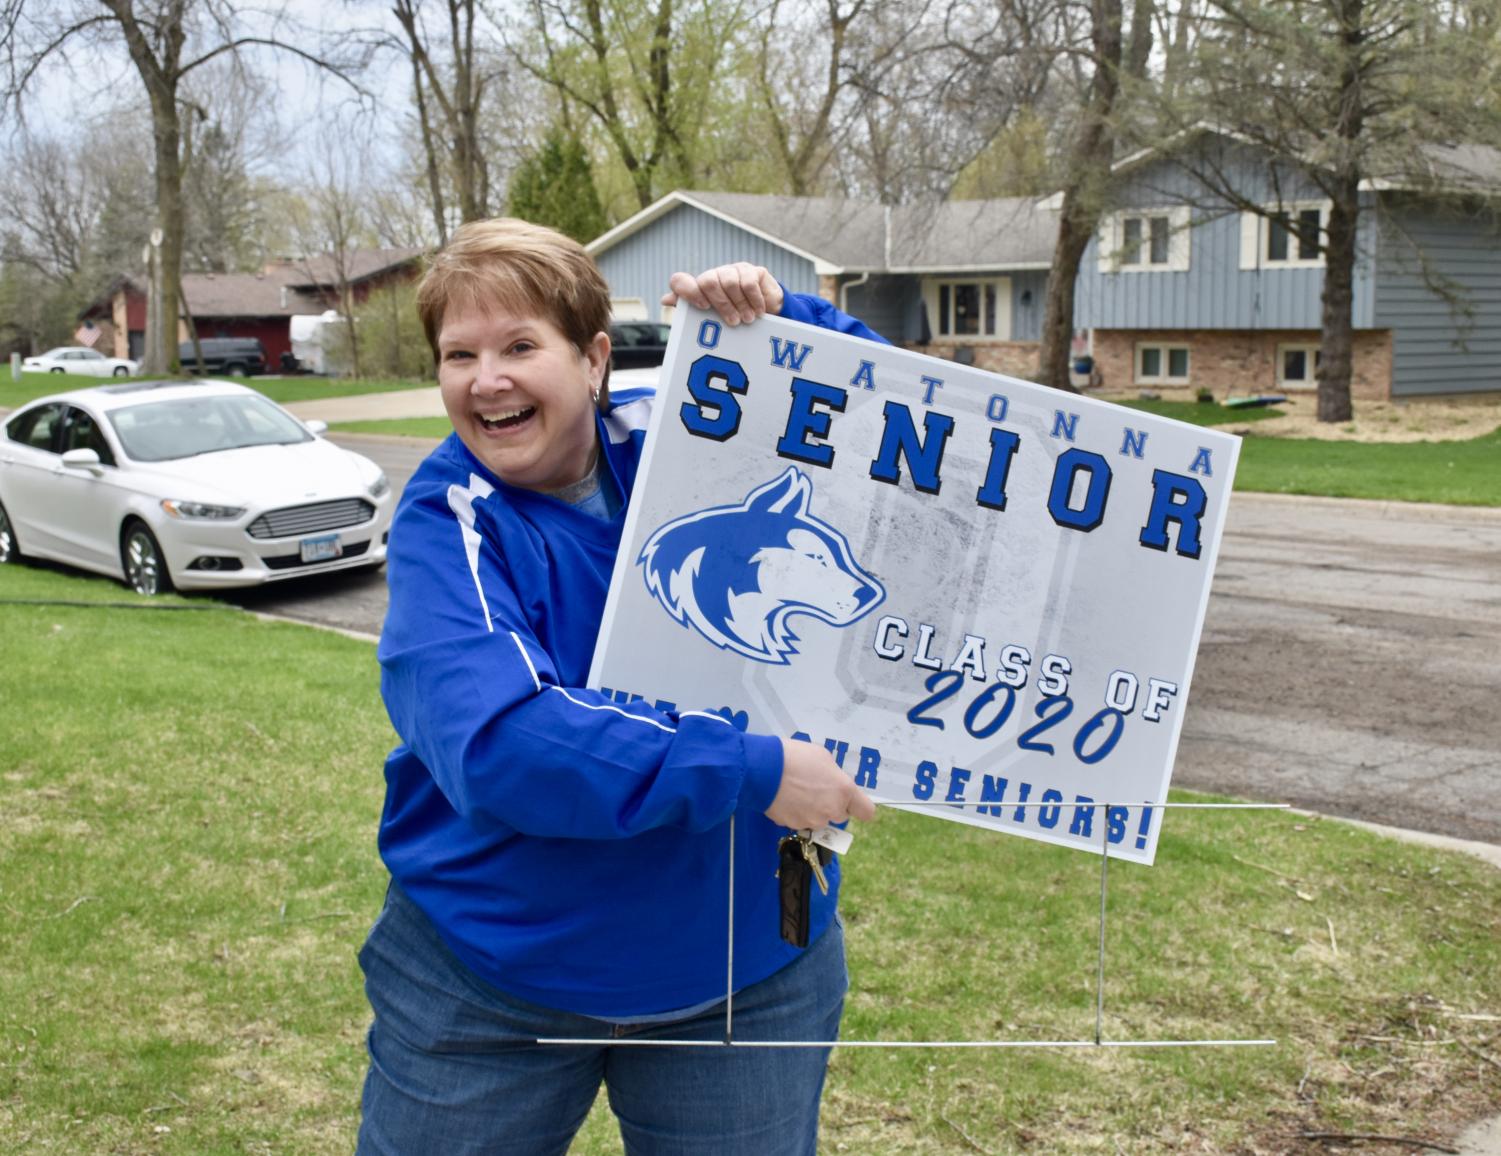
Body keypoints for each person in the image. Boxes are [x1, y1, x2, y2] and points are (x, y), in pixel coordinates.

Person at [357, 219, 888, 1156]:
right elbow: (501, 742)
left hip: (749, 971)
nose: (488, 379)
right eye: (459, 354)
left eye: (521, 345)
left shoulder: (682, 434)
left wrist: (773, 322)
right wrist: (750, 771)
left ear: (594, 358)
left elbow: (900, 434)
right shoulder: (449, 520)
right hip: (492, 985)